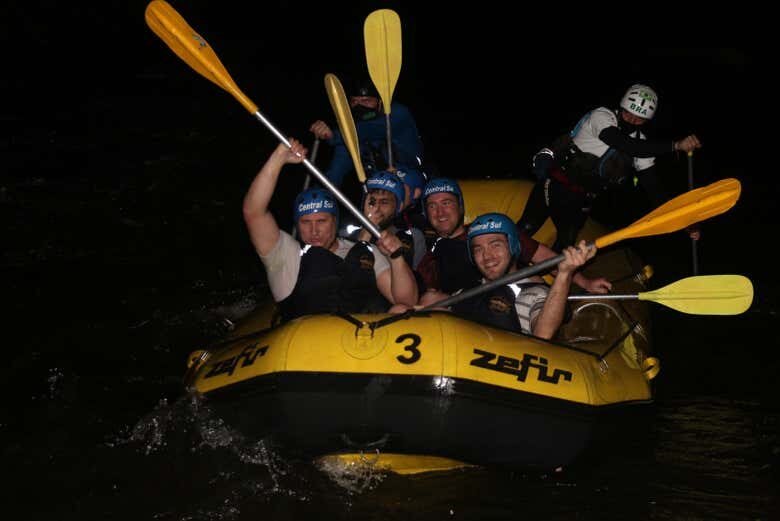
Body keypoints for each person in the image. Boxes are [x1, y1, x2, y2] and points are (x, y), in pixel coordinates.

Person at [242, 139, 418, 322]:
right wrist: (279, 157)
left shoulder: (364, 251)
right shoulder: (286, 254)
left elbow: (406, 301)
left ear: (335, 222)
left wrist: (396, 257)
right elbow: (253, 212)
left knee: (400, 310)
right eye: (305, 222)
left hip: (362, 343)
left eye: (321, 221)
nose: (314, 230)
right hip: (308, 343)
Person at [519, 83, 702, 252]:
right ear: (621, 107)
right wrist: (675, 146)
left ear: (646, 121)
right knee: (526, 229)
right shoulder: (602, 116)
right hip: (556, 185)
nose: (631, 120)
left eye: (639, 119)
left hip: (582, 200)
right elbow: (623, 143)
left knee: (564, 247)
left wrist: (684, 222)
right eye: (628, 113)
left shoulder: (642, 144)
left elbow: (655, 190)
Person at [415, 178, 610, 307]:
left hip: (513, 301)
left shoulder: (493, 229)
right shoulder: (431, 252)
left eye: (446, 203)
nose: (440, 213)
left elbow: (544, 258)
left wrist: (585, 282)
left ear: (460, 206)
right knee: (428, 299)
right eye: (432, 206)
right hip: (468, 313)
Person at [451, 213, 596, 340]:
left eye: (495, 245)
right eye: (478, 249)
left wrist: (564, 274)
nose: (487, 256)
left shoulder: (536, 293)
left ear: (513, 246)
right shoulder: (463, 292)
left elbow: (543, 335)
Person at [309, 78, 425, 187]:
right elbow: (336, 170)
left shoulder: (398, 114)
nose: (359, 106)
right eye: (354, 101)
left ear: (380, 102)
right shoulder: (349, 135)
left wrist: (334, 135)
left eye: (366, 100)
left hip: (413, 182)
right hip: (378, 188)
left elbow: (371, 129)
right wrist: (319, 197)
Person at [356, 170, 428, 269]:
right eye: (372, 201)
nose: (376, 208)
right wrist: (366, 232)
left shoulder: (413, 237)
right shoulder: (347, 235)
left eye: (384, 202)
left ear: (399, 206)